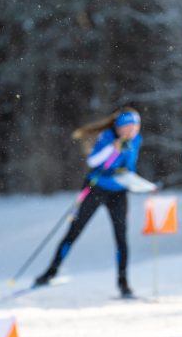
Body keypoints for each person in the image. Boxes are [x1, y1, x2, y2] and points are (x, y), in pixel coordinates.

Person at [34, 106, 143, 298]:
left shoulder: (136, 140)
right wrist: (113, 148)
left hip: (118, 192)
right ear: (119, 128)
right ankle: (50, 272)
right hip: (96, 188)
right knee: (74, 230)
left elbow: (130, 168)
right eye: (128, 127)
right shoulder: (107, 137)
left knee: (121, 237)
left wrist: (142, 184)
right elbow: (93, 162)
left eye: (135, 127)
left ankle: (123, 283)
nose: (132, 131)